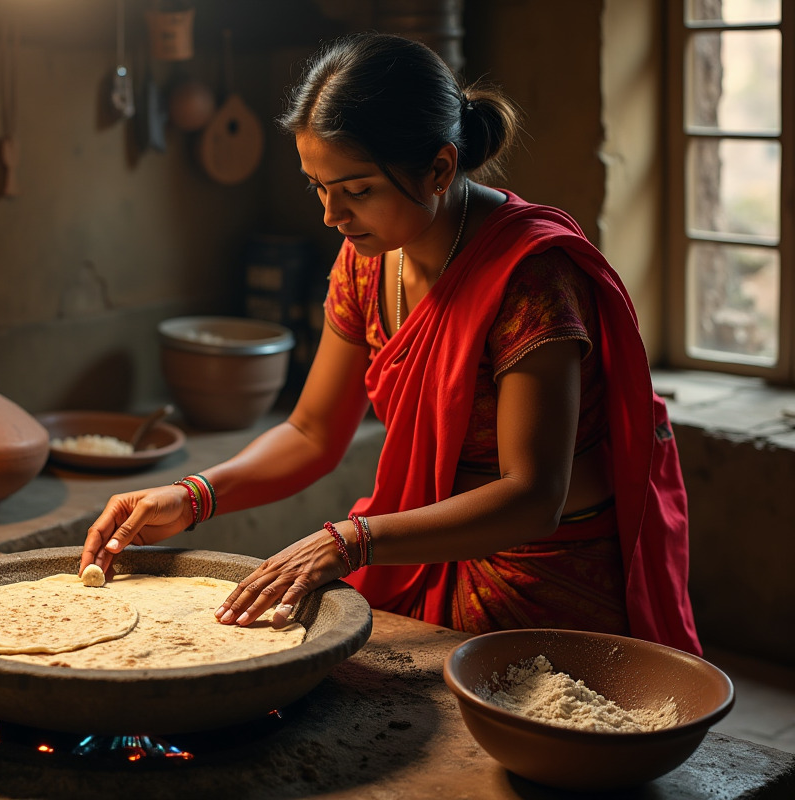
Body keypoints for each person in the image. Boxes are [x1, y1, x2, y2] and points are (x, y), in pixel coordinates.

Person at [80, 32, 702, 655]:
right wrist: (192, 497)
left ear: (439, 168)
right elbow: (312, 432)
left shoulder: (530, 278)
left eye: (357, 190)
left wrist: (352, 540)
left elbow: (533, 496)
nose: (332, 216)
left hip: (542, 572)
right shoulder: (365, 263)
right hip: (415, 549)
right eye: (318, 188)